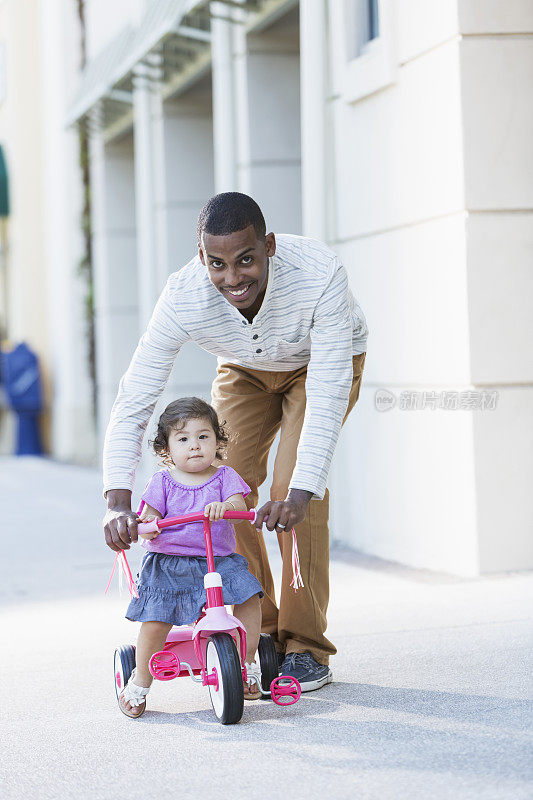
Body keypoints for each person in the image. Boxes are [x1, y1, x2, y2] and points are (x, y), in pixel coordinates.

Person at [103, 192, 368, 693]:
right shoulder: (182, 294)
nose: (234, 278)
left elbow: (330, 390)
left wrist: (301, 492)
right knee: (224, 489)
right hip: (243, 368)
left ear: (267, 246)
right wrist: (116, 495)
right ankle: (258, 630)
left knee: (293, 489)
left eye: (246, 259)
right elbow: (137, 393)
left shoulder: (319, 274)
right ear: (202, 256)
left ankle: (306, 646)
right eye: (218, 264)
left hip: (320, 365)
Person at [119, 396, 264, 718]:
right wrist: (147, 527)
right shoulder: (162, 481)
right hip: (170, 563)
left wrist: (225, 508)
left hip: (218, 559)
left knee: (250, 597)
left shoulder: (225, 477)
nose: (195, 446)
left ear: (217, 440)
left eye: (203, 437)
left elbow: (240, 508)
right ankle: (141, 678)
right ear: (166, 449)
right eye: (183, 439)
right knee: (156, 619)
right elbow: (147, 518)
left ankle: (247, 663)